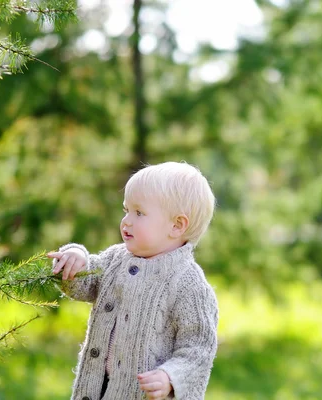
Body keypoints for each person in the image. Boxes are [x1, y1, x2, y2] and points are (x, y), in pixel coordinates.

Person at [47, 161, 219, 400]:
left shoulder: (188, 283)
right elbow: (85, 283)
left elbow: (199, 348)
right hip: (97, 388)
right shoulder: (116, 258)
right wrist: (76, 258)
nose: (127, 220)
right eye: (126, 210)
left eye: (139, 213)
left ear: (177, 225)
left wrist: (170, 377)